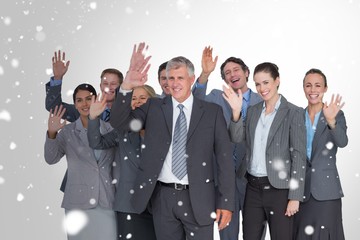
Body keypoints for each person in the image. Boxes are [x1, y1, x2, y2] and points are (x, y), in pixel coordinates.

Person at [110, 43, 235, 240]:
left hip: (199, 198)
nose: (174, 83)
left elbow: (225, 160)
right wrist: (126, 86)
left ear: (191, 79)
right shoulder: (154, 107)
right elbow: (119, 122)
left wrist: (226, 202)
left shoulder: (212, 112)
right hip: (162, 198)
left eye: (180, 78)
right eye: (170, 78)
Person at [223, 62, 306, 240]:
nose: (262, 88)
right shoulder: (252, 111)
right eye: (258, 84)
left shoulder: (293, 112)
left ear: (277, 81)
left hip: (280, 190)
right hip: (253, 188)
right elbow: (236, 138)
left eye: (266, 82)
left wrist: (295, 197)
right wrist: (236, 112)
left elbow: (298, 156)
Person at [192, 47, 264, 240]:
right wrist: (205, 74)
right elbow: (195, 105)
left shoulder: (263, 100)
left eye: (236, 70)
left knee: (255, 234)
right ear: (224, 79)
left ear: (246, 72)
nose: (232, 74)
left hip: (253, 179)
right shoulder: (216, 97)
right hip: (224, 179)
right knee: (228, 235)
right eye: (227, 73)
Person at [44, 83, 116, 240]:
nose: (85, 104)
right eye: (80, 100)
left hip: (106, 200)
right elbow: (51, 158)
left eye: (89, 99)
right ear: (75, 105)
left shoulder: (111, 129)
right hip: (77, 202)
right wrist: (52, 133)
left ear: (96, 100)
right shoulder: (68, 132)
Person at [44, 50, 123, 192]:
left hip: (113, 184)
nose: (109, 87)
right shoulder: (84, 108)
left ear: (121, 87)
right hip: (80, 184)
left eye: (113, 84)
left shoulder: (128, 114)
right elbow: (53, 107)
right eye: (105, 83)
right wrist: (57, 78)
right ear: (100, 85)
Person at [87, 84, 157, 240]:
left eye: (143, 98)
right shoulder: (122, 130)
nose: (138, 102)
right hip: (129, 205)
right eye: (134, 98)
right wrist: (93, 118)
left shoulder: (164, 129)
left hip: (157, 205)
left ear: (153, 101)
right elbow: (97, 143)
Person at [293, 69, 348, 240]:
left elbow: (342, 142)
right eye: (308, 85)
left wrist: (331, 121)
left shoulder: (336, 114)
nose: (312, 90)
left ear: (325, 88)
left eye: (318, 85)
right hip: (300, 193)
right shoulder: (296, 116)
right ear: (303, 88)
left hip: (326, 192)